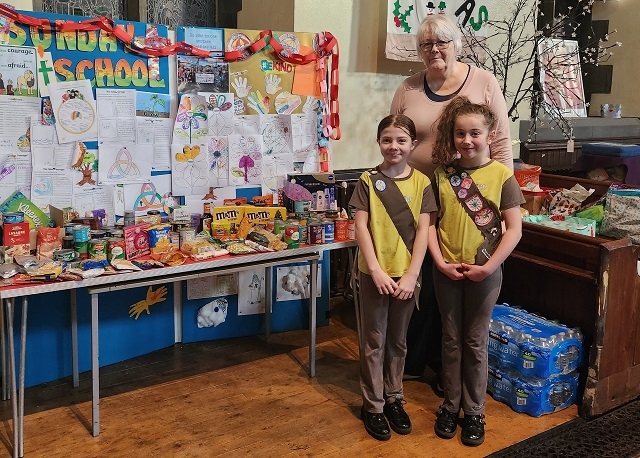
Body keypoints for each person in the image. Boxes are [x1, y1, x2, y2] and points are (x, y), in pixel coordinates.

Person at [390, 14, 514, 385]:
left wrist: (505, 199)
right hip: (415, 199)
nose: (434, 50)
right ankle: (414, 360)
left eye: (441, 42)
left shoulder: (484, 82)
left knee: (453, 279)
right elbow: (395, 137)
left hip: (468, 201)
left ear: (456, 44)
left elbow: (501, 144)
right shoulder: (408, 88)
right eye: (426, 44)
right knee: (421, 278)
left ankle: (449, 371)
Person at [428, 97, 524, 446]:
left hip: (487, 272)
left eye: (474, 133)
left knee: (476, 342)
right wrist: (439, 262)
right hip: (447, 271)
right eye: (459, 134)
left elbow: (514, 229)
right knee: (451, 340)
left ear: (490, 133)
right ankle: (450, 406)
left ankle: (475, 412)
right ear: (452, 137)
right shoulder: (442, 176)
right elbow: (430, 226)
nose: (467, 140)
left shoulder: (502, 176)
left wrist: (488, 267)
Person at [349, 114, 437, 441]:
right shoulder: (367, 180)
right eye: (387, 139)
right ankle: (372, 405)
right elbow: (361, 227)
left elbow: (426, 230)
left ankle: (394, 396)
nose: (394, 146)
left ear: (413, 144)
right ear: (378, 143)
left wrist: (412, 275)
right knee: (374, 340)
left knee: (398, 340)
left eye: (401, 140)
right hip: (375, 274)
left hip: (406, 277)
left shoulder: (422, 184)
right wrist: (374, 270)